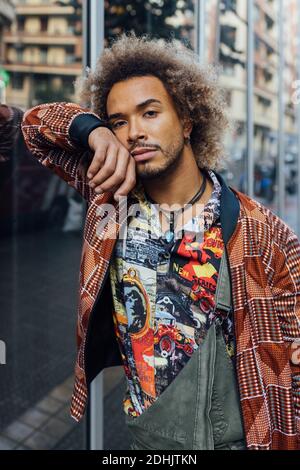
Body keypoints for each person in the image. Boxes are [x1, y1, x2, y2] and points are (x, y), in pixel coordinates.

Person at [19, 34, 300, 450]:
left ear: (187, 121)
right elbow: (35, 127)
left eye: (150, 113)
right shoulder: (110, 201)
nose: (133, 132)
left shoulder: (260, 230)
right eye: (119, 121)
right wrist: (93, 132)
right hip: (147, 444)